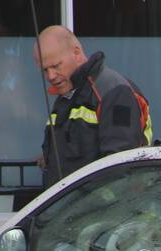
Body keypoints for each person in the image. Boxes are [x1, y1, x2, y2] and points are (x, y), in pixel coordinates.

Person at [35, 25, 153, 188]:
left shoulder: (115, 92)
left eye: (56, 66)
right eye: (45, 70)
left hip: (104, 210)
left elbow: (119, 166)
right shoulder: (68, 95)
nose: (51, 76)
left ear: (76, 52)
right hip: (70, 209)